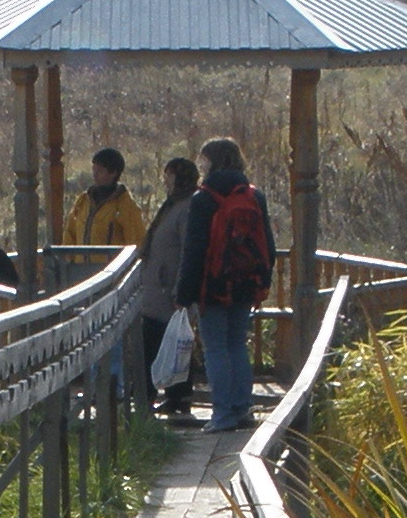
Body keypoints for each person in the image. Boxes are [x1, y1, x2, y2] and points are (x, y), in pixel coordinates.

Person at [175, 135, 275, 433]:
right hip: (246, 284)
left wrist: (184, 294)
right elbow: (267, 244)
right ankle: (243, 410)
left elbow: (194, 251)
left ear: (210, 162)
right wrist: (263, 281)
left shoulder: (204, 198)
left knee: (216, 349)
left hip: (213, 286)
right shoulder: (254, 195)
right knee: (236, 345)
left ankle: (223, 415)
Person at [138, 154, 199, 418]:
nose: (166, 180)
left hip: (169, 291)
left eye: (170, 175)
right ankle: (153, 395)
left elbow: (189, 248)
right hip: (156, 291)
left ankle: (177, 397)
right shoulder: (171, 205)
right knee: (154, 342)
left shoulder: (187, 207)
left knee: (173, 345)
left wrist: (181, 289)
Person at [64, 143, 146, 257]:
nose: (95, 175)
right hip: (79, 270)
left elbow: (136, 244)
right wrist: (67, 264)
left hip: (111, 272)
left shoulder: (126, 205)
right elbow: (70, 235)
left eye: (100, 171)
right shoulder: (83, 201)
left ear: (113, 173)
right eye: (94, 169)